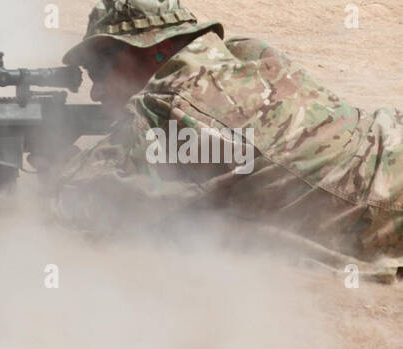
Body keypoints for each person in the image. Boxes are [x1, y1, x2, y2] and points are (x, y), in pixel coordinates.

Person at [53, 0, 403, 277]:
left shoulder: (171, 108)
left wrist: (52, 160)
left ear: (153, 49)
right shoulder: (245, 53)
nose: (96, 91)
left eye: (99, 70)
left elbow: (88, 206)